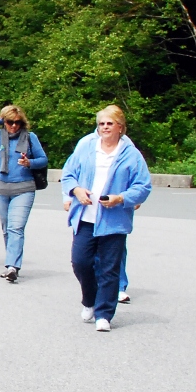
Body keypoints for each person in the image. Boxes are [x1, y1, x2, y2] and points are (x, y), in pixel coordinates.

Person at [60, 106, 152, 332]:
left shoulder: (131, 154)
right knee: (80, 263)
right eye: (101, 124)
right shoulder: (86, 148)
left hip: (114, 221)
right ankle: (89, 300)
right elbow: (68, 173)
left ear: (120, 127)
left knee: (109, 270)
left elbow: (143, 186)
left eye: (110, 123)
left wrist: (120, 198)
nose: (105, 127)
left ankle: (104, 314)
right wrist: (76, 190)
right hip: (85, 217)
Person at [0, 105, 48, 283]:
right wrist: (1, 119)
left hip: (23, 188)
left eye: (18, 122)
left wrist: (29, 162)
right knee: (7, 228)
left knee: (16, 227)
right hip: (0, 188)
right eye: (10, 122)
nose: (14, 126)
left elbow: (43, 159)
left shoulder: (30, 137)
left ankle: (12, 267)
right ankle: (11, 262)